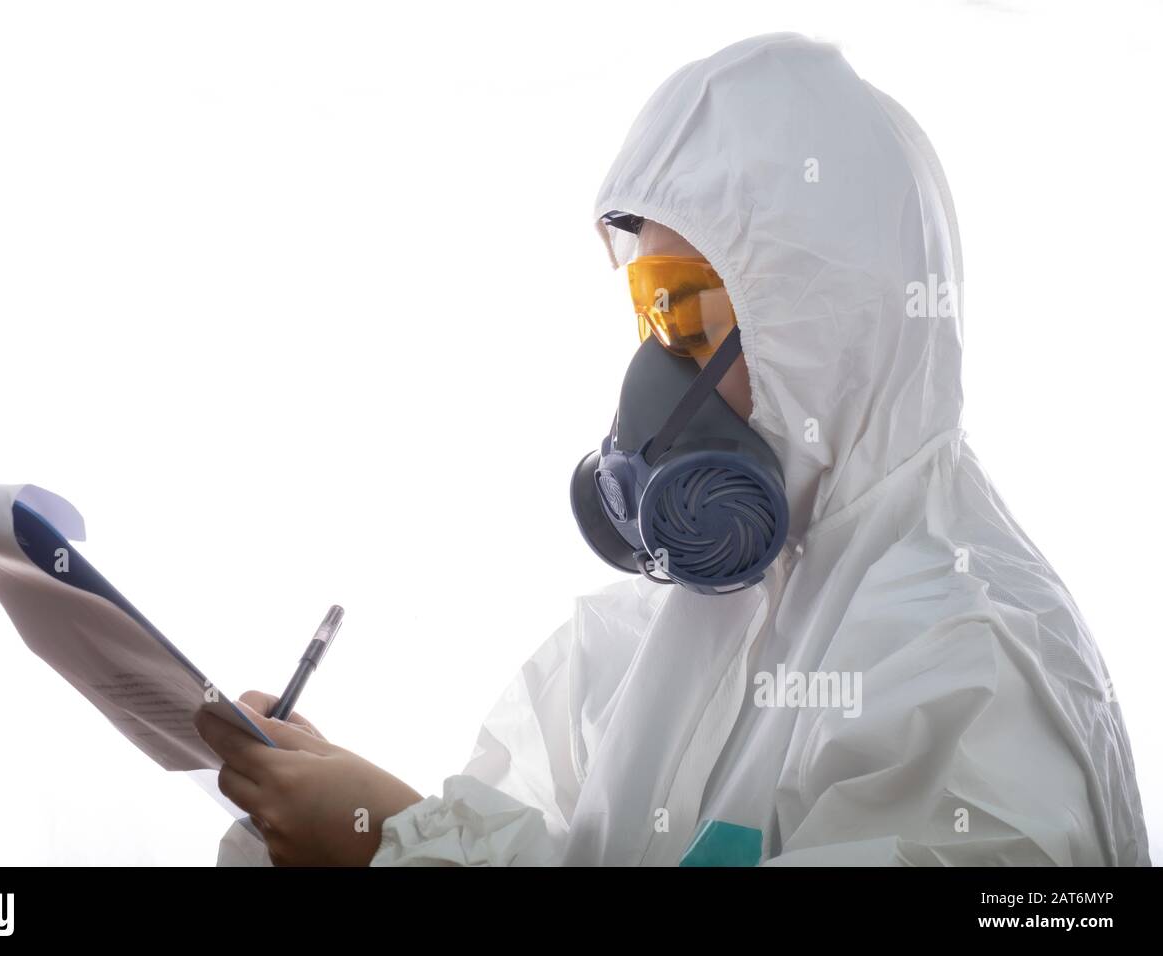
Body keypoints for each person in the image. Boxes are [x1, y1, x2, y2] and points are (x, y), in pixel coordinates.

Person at [201, 32, 1150, 867]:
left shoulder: (970, 671)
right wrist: (340, 821)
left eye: (692, 313)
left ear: (829, 328)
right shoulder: (632, 649)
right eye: (651, 308)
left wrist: (395, 847)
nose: (657, 370)